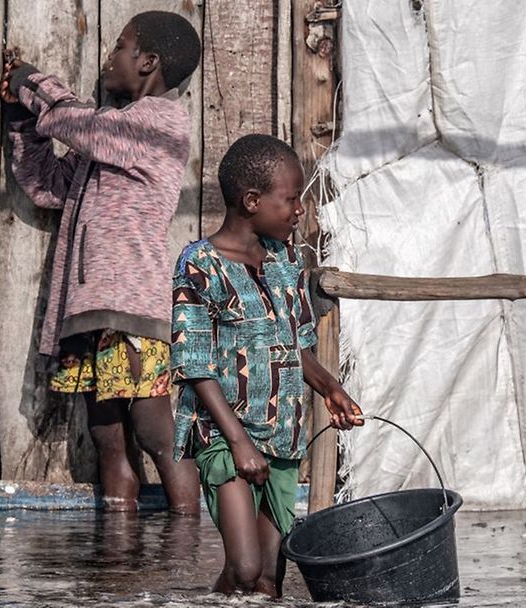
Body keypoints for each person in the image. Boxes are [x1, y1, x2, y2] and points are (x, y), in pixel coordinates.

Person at [0, 11, 202, 514]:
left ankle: (187, 546)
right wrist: (23, 121)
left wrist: (30, 84)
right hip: (90, 306)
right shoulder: (108, 135)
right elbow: (47, 185)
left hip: (130, 304)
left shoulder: (158, 122)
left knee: (154, 428)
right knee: (106, 435)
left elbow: (84, 124)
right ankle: (118, 555)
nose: (108, 58)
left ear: (148, 62)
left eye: (119, 48)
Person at [170, 134, 364, 596]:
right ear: (252, 201)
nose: (300, 211)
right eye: (292, 200)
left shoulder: (285, 261)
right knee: (244, 566)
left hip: (282, 436)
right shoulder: (201, 265)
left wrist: (330, 388)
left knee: (269, 581)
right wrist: (238, 443)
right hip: (224, 435)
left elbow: (296, 345)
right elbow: (194, 364)